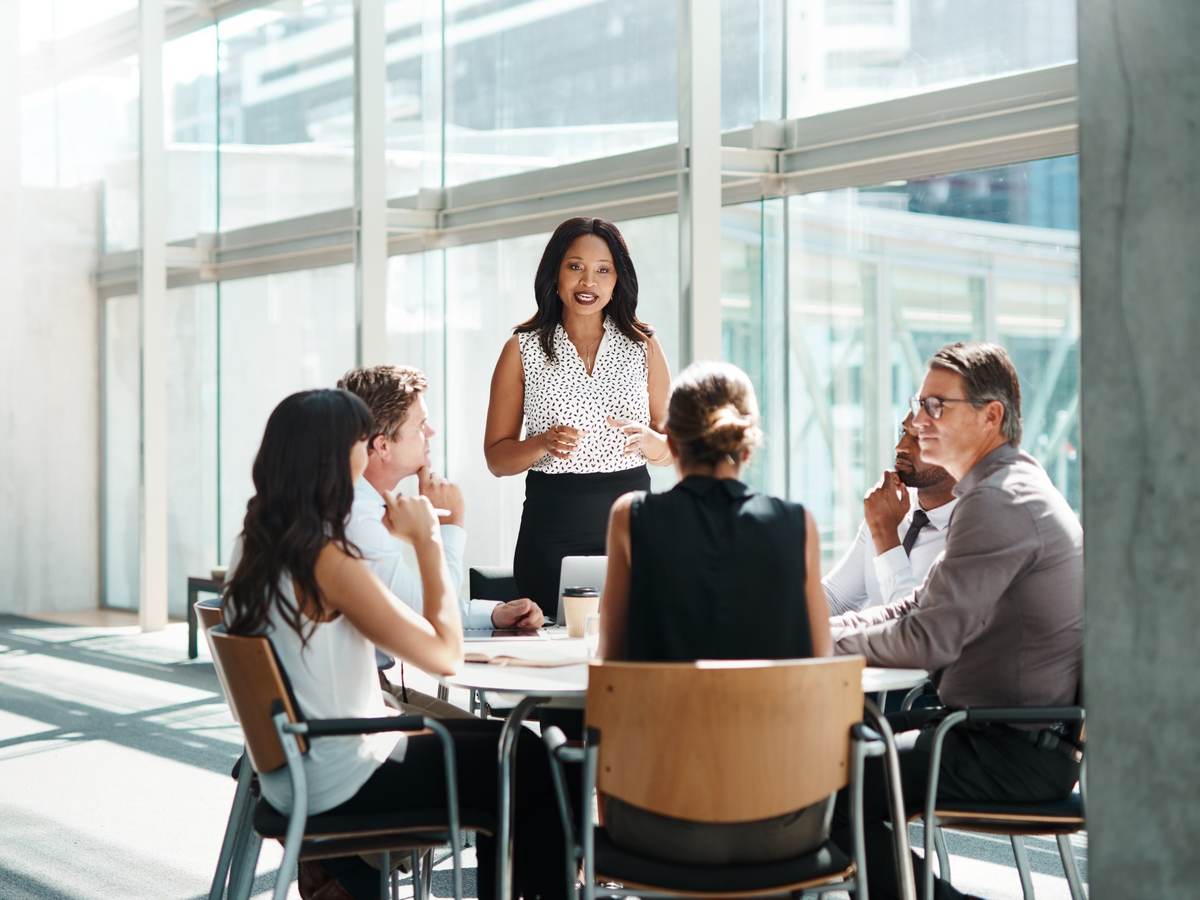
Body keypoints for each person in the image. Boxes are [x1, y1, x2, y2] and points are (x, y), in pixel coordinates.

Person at [223, 389, 568, 900]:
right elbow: (445, 656)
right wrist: (430, 539)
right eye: (362, 444)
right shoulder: (326, 558)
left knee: (513, 752)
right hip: (345, 776)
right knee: (527, 762)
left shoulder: (255, 546)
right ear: (339, 457)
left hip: (291, 770)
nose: (367, 457)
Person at [829, 342, 1084, 900]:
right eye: (921, 404)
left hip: (1007, 750)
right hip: (995, 735)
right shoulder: (996, 490)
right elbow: (916, 605)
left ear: (991, 415)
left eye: (937, 406)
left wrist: (822, 646)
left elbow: (928, 639)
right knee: (826, 752)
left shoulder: (998, 501)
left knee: (821, 781)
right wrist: (821, 635)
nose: (919, 420)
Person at [598, 361, 833, 865]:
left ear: (672, 443)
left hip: (654, 824)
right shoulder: (799, 525)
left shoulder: (630, 518)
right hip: (786, 825)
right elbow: (820, 670)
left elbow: (611, 674)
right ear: (747, 446)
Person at [484, 216, 672, 619]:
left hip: (632, 522)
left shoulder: (644, 346)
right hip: (551, 525)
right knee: (554, 640)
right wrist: (541, 444)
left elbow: (675, 446)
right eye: (576, 267)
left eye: (603, 270)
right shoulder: (522, 349)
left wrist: (653, 443)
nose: (589, 282)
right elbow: (497, 459)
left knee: (631, 642)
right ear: (555, 272)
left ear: (618, 278)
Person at [822, 413, 957, 616]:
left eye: (920, 437)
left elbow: (917, 634)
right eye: (903, 432)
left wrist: (884, 534)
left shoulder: (972, 532)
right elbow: (836, 598)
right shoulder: (891, 507)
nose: (900, 447)